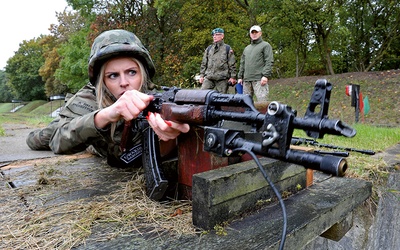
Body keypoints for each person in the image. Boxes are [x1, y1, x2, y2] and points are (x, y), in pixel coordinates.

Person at [26, 29, 190, 168]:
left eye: (132, 72)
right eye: (113, 75)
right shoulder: (89, 98)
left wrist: (168, 137)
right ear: (102, 81)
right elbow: (58, 142)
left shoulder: (155, 99)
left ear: (143, 74)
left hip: (114, 152)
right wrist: (105, 115)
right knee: (37, 139)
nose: (124, 83)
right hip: (84, 131)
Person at [238, 25, 274, 102]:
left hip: (259, 80)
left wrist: (265, 75)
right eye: (252, 32)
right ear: (250, 34)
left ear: (260, 33)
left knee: (262, 103)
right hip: (246, 80)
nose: (254, 34)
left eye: (256, 32)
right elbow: (242, 63)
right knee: (245, 104)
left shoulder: (265, 45)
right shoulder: (247, 48)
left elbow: (269, 61)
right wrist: (240, 77)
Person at [199, 28, 237, 94]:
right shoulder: (209, 48)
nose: (214, 36)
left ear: (222, 36)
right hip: (209, 77)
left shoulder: (227, 48)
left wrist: (233, 77)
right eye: (213, 35)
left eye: (217, 34)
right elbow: (204, 63)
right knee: (202, 95)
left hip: (222, 78)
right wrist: (202, 75)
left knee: (222, 98)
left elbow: (232, 64)